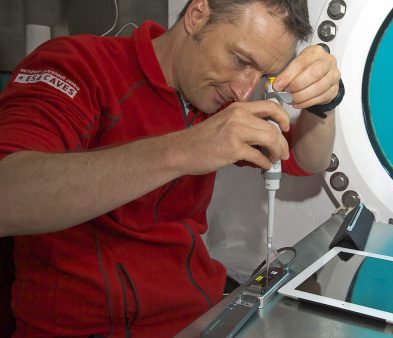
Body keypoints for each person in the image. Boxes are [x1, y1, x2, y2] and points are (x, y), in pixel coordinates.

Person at [0, 0, 341, 336]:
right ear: (197, 14)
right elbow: (8, 195)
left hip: (200, 320)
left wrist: (324, 102)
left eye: (262, 74)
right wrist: (186, 148)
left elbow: (307, 160)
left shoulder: (212, 96)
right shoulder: (77, 65)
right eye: (239, 59)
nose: (244, 90)